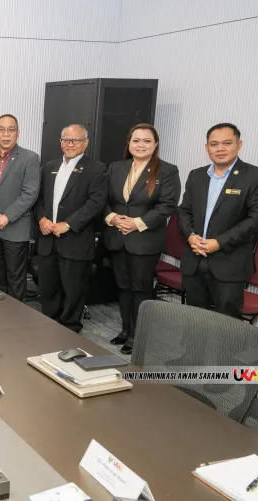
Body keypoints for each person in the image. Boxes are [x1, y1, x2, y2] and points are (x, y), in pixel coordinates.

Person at [178, 123, 258, 319]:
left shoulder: (256, 176)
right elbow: (184, 211)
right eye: (214, 144)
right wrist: (190, 236)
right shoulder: (197, 175)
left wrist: (219, 242)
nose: (220, 149)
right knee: (193, 319)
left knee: (226, 324)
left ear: (239, 144)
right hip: (194, 260)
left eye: (227, 143)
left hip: (229, 264)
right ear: (207, 148)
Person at [104, 124, 180, 354]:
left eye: (147, 141)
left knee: (140, 290)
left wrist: (136, 223)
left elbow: (167, 205)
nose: (141, 145)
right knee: (122, 287)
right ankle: (126, 329)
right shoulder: (116, 167)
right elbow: (103, 198)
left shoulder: (167, 171)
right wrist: (112, 218)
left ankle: (139, 336)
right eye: (136, 140)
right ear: (129, 143)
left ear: (155, 144)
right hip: (117, 236)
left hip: (144, 240)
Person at [34, 124, 108, 333]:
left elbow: (96, 203)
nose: (70, 144)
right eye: (66, 140)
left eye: (75, 140)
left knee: (73, 291)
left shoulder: (96, 169)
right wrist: (41, 219)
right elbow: (39, 198)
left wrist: (67, 224)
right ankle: (49, 325)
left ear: (86, 143)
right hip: (48, 240)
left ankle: (69, 330)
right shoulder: (50, 166)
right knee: (47, 288)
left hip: (75, 241)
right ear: (60, 142)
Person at [0, 114, 40, 301]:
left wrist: (6, 217)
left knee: (16, 281)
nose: (6, 134)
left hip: (15, 228)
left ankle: (16, 317)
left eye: (11, 129)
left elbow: (30, 193)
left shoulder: (30, 158)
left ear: (18, 133)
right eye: (1, 130)